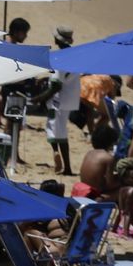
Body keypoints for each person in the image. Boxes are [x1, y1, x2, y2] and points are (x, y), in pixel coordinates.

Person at [37, 27, 80, 175]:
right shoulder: (74, 54)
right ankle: (65, 164)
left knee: (54, 129)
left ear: (57, 40)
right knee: (60, 130)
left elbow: (56, 85)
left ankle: (58, 155)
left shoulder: (59, 57)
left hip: (58, 100)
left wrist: (40, 98)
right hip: (70, 98)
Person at [74, 123, 121, 200]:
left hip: (84, 191)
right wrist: (123, 180)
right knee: (128, 189)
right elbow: (110, 184)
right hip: (96, 194)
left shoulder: (89, 153)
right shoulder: (108, 158)